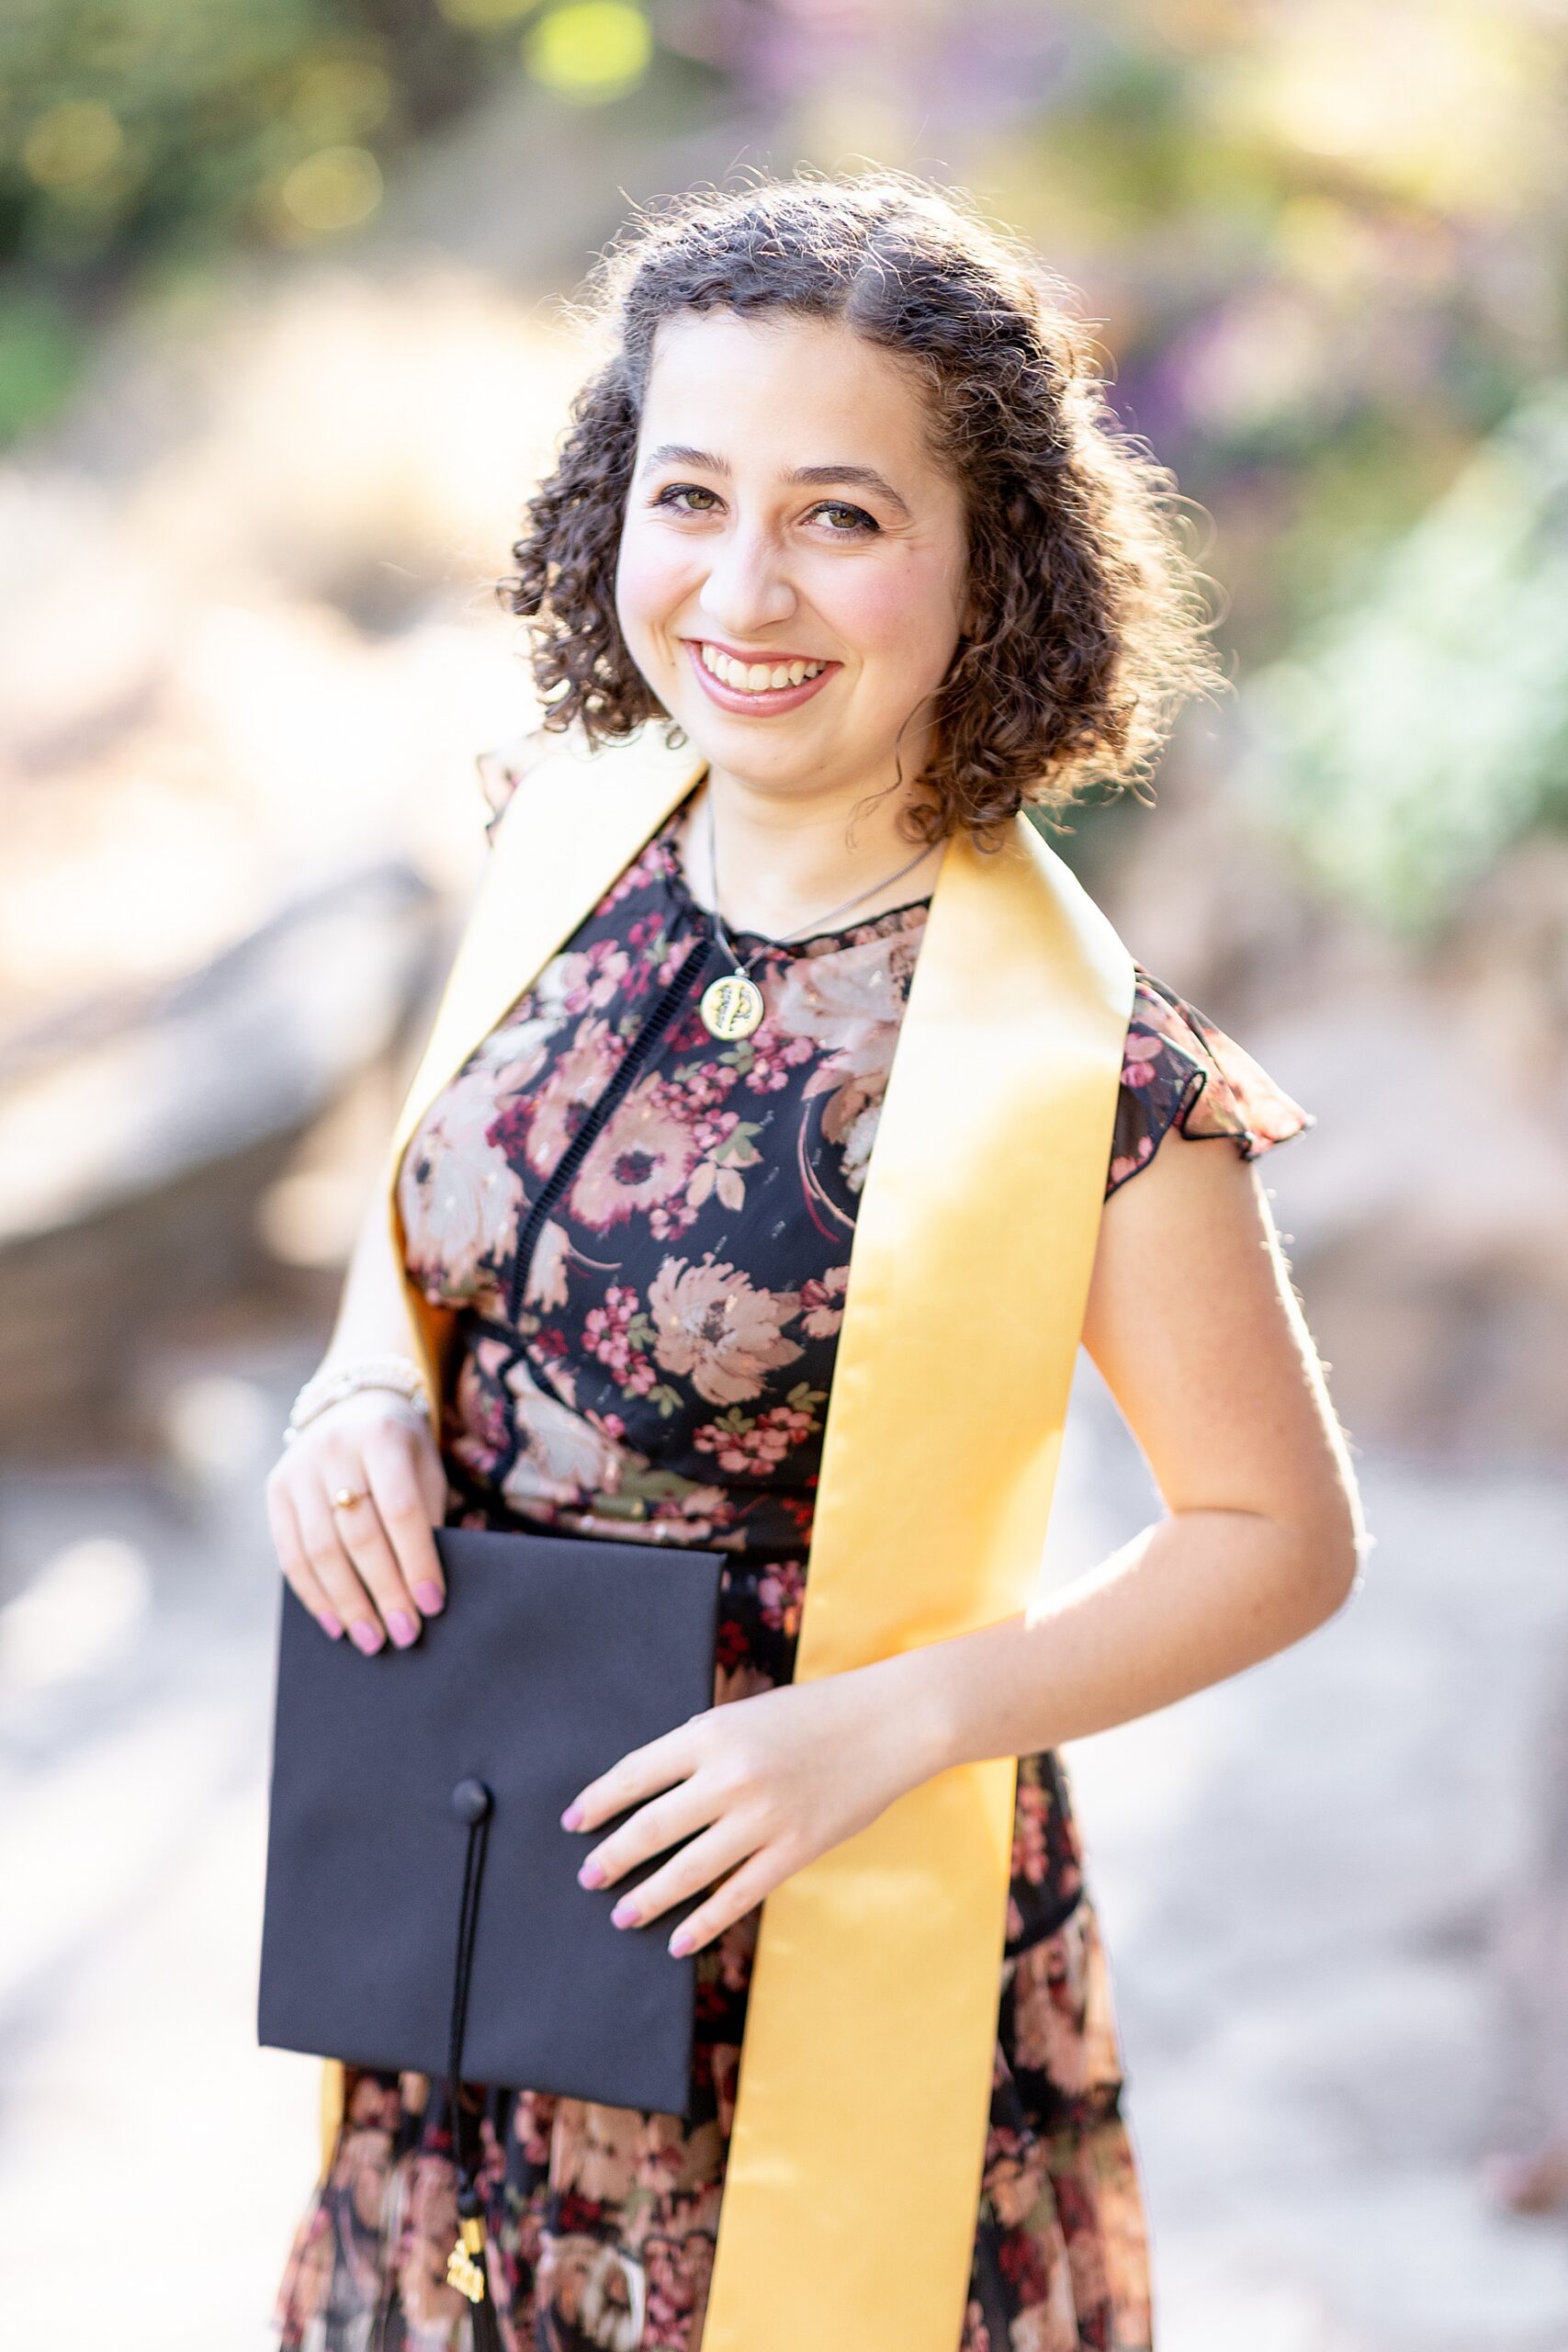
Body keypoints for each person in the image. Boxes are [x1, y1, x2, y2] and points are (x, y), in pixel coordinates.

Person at [267, 168, 1364, 2351]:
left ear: (988, 565)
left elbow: (1275, 1535)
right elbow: (429, 1249)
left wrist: (890, 1723)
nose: (740, 587)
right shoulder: (554, 834)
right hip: (475, 1898)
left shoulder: (1090, 1063)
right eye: (687, 493)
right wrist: (352, 1393)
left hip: (807, 1937)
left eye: (840, 515)